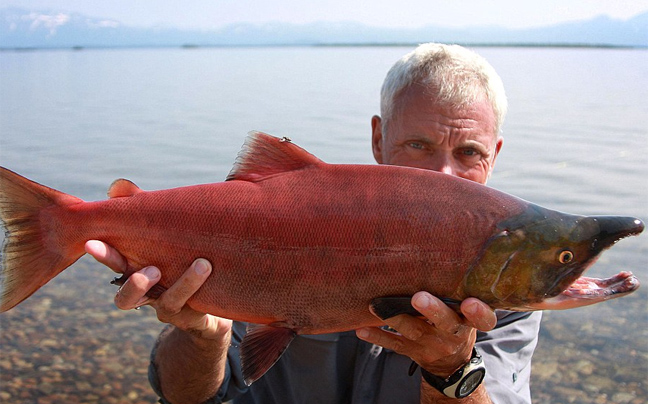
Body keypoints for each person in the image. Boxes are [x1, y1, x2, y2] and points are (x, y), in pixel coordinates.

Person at [86, 43, 542, 403]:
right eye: (419, 145)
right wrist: (204, 340)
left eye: (468, 153)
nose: (441, 175)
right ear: (378, 139)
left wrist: (452, 372)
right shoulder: (290, 225)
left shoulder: (506, 278)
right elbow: (184, 396)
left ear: (494, 156)